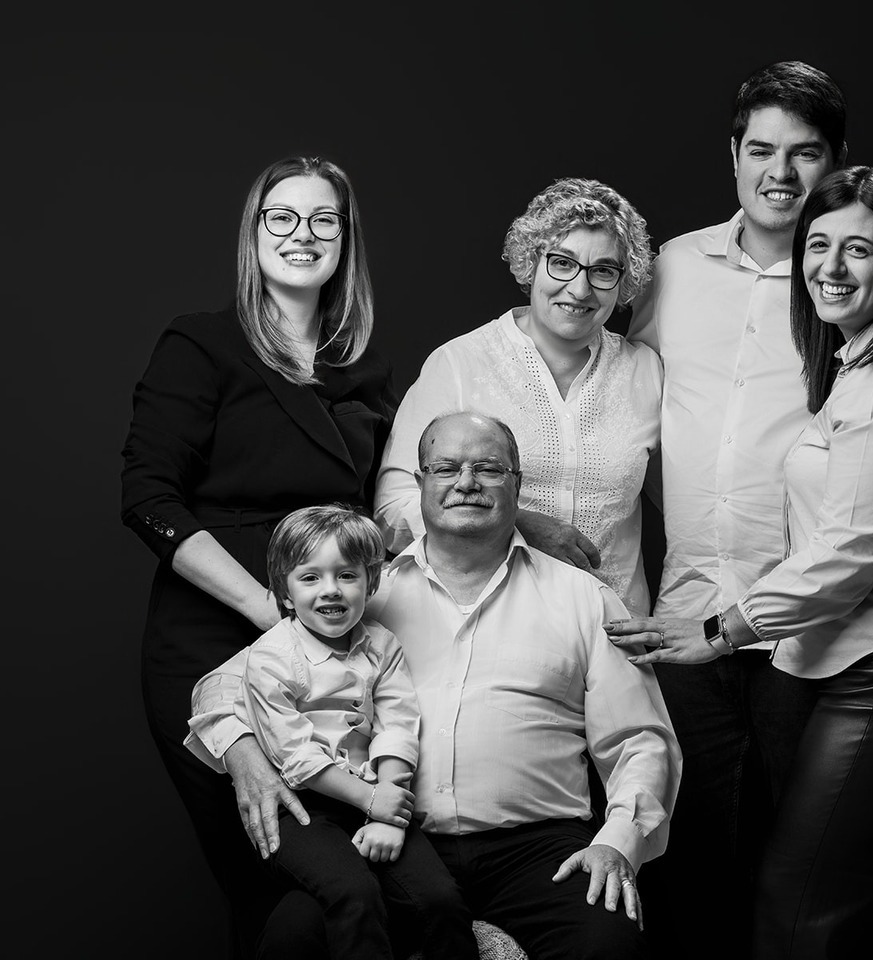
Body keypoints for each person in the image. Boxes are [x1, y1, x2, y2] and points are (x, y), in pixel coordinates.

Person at [624, 61, 873, 958]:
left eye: (804, 154)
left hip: (821, 635)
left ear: (836, 162)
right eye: (760, 150)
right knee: (712, 874)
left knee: (833, 882)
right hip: (696, 614)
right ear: (733, 155)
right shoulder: (674, 271)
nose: (779, 173)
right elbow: (612, 388)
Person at [189, 412, 682, 960]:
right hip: (387, 841)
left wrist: (619, 841)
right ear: (420, 484)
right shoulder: (360, 594)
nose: (466, 482)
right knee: (293, 936)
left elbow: (640, 740)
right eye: (446, 468)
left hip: (537, 848)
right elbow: (220, 686)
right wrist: (244, 756)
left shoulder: (583, 597)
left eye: (488, 468)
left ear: (517, 483)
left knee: (609, 945)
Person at [120, 156, 397, 958]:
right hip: (214, 649)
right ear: (254, 232)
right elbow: (146, 498)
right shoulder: (202, 343)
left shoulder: (363, 369)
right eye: (282, 216)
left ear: (345, 240)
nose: (302, 234)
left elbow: (382, 510)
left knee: (337, 887)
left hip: (327, 658)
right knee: (268, 877)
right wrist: (262, 608)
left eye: (324, 219)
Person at [189, 503, 470, 960]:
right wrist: (370, 801)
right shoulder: (270, 657)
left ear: (370, 583)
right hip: (303, 806)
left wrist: (387, 805)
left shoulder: (383, 645)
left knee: (440, 900)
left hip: (375, 791)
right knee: (353, 893)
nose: (331, 589)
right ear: (284, 593)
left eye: (347, 575)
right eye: (310, 577)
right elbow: (296, 755)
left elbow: (398, 724)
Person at [375, 177, 660, 615]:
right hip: (485, 624)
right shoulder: (460, 364)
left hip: (615, 626)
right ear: (531, 262)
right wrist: (514, 525)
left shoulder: (645, 372)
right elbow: (393, 509)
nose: (580, 289)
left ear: (624, 282)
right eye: (562, 263)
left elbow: (692, 500)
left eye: (603, 270)